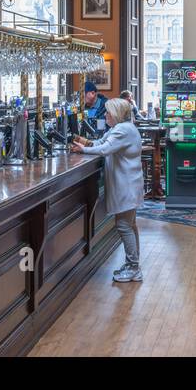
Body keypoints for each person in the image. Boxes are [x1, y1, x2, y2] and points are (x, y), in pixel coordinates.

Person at [70, 97, 144, 282]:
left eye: (108, 112)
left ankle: (134, 267)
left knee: (124, 225)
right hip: (129, 182)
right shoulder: (121, 128)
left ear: (116, 114)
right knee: (130, 224)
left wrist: (82, 151)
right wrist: (83, 143)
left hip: (126, 184)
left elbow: (105, 149)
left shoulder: (123, 130)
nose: (105, 115)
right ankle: (132, 264)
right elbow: (100, 143)